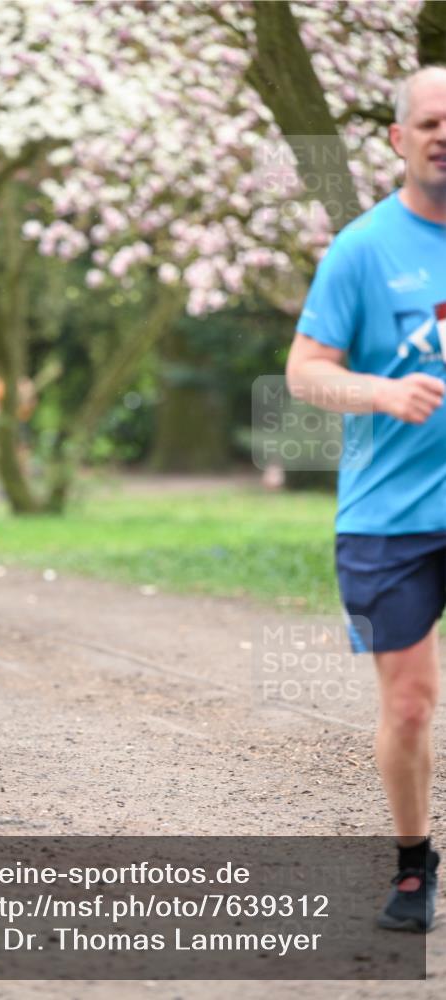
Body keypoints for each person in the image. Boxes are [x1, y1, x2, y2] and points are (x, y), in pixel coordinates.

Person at [286, 65, 446, 933]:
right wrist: (382, 393)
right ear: (397, 139)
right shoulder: (360, 248)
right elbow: (303, 372)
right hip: (390, 517)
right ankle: (412, 863)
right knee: (410, 701)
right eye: (427, 123)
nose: (441, 136)